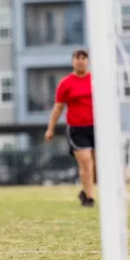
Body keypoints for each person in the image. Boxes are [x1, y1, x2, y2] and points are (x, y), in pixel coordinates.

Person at [45, 49, 96, 207]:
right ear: (72, 61)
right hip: (76, 129)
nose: (80, 61)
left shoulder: (95, 80)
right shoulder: (66, 84)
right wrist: (50, 128)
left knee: (95, 164)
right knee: (86, 162)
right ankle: (89, 197)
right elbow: (58, 108)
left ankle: (85, 191)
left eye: (83, 58)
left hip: (95, 127)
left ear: (87, 61)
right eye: (77, 58)